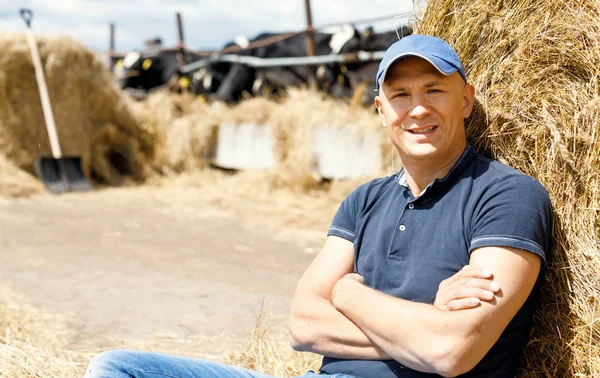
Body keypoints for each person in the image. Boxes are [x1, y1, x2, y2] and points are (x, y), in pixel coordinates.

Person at [83, 35, 552, 378]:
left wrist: (348, 296)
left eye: (434, 90)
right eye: (401, 95)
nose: (418, 109)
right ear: (380, 110)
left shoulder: (507, 195)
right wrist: (423, 320)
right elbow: (303, 324)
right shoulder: (364, 201)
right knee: (117, 368)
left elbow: (450, 348)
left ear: (466, 100)